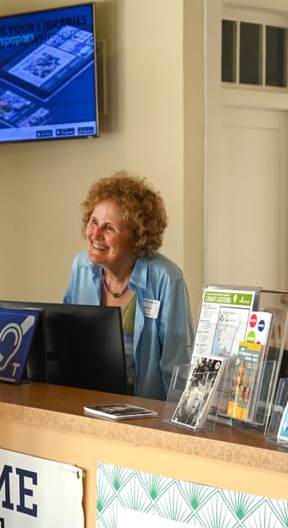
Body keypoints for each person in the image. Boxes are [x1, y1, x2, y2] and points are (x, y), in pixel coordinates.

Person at [63, 171, 194, 400]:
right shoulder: (81, 267)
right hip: (89, 404)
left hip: (148, 415)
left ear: (136, 237)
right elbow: (66, 343)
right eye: (94, 222)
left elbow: (178, 370)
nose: (95, 234)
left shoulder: (166, 279)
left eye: (109, 228)